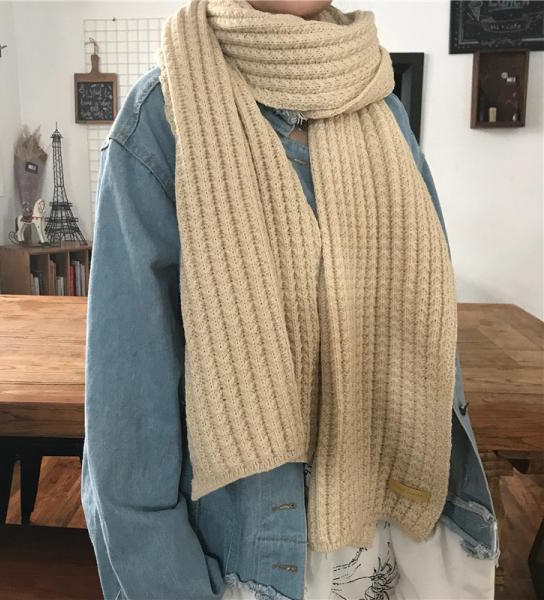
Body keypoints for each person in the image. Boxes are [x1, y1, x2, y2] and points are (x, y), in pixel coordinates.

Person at [81, 1, 500, 598]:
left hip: (398, 532)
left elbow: (430, 333)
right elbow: (128, 424)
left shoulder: (381, 101)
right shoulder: (163, 118)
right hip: (257, 559)